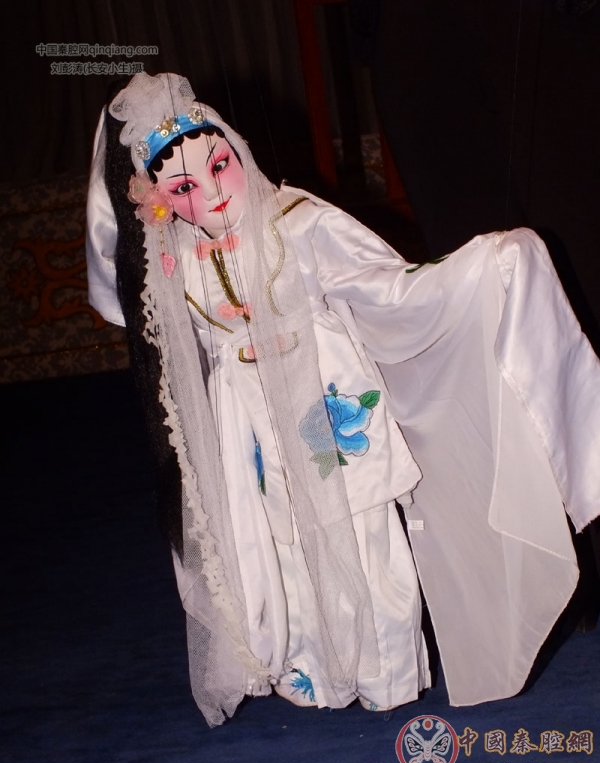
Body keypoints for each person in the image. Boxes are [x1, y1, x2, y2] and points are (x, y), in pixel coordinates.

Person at [86, 71, 600, 728]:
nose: (212, 193)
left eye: (219, 166)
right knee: (285, 544)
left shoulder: (300, 223)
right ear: (160, 202)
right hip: (248, 420)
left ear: (238, 153)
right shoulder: (175, 262)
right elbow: (125, 298)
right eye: (184, 188)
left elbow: (388, 289)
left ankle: (385, 672)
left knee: (363, 535)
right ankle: (314, 671)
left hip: (325, 406)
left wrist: (484, 265)